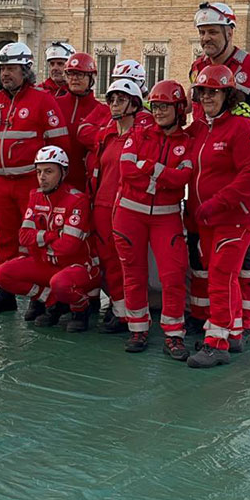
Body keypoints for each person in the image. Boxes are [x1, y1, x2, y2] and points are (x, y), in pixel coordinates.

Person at [187, 1, 250, 342]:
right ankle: (209, 317)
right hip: (204, 170)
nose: (206, 39)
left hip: (236, 170)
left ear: (230, 31)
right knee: (205, 257)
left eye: (213, 32)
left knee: (236, 260)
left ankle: (240, 323)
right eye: (202, 32)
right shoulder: (198, 66)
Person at [0, 42, 70, 317]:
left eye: (11, 69)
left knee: (33, 240)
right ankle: (4, 292)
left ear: (26, 70)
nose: (5, 74)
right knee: (3, 238)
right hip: (3, 183)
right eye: (2, 68)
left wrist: (52, 184)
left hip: (31, 183)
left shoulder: (43, 100)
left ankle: (38, 295)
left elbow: (60, 142)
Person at [184, 65, 250, 369]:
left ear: (228, 95)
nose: (207, 97)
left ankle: (216, 342)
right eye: (203, 92)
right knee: (222, 275)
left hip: (234, 217)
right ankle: (234, 331)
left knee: (219, 275)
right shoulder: (203, 127)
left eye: (213, 92)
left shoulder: (241, 128)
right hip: (208, 219)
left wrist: (217, 203)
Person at [115, 79, 195, 360]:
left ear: (178, 109)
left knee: (173, 275)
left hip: (167, 217)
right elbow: (126, 170)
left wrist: (149, 169)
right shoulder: (138, 133)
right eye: (155, 106)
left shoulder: (186, 143)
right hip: (129, 214)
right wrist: (162, 175)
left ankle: (174, 335)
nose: (158, 112)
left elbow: (183, 178)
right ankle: (138, 329)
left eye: (164, 107)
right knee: (133, 274)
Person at [0, 146, 101, 331]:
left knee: (61, 283)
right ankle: (53, 302)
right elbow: (24, 237)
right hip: (49, 264)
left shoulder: (78, 200)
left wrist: (39, 242)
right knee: (3, 274)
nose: (42, 177)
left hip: (78, 267)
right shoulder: (35, 196)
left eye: (49, 171)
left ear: (63, 173)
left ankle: (80, 309)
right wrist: (51, 236)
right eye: (39, 172)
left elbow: (69, 246)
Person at [87, 78, 152, 334]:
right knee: (109, 261)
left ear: (134, 104)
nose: (114, 104)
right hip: (103, 204)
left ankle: (135, 314)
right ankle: (119, 310)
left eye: (121, 100)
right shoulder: (107, 134)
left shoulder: (143, 135)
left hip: (129, 205)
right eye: (112, 99)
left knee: (130, 262)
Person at [57, 52, 108, 192]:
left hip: (85, 183)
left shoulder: (101, 110)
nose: (74, 79)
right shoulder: (54, 105)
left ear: (91, 77)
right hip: (56, 181)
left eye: (80, 74)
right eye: (70, 74)